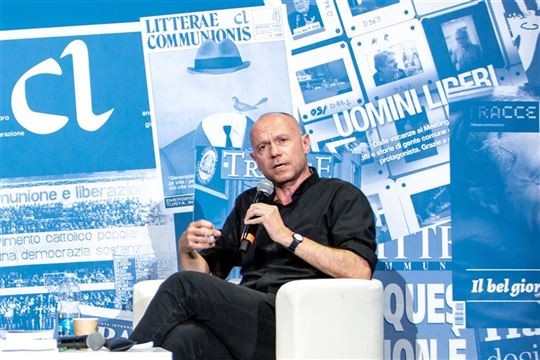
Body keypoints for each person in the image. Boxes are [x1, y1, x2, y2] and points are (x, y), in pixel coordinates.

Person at [129, 112, 377, 359]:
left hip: (304, 322)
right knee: (184, 338)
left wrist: (287, 236)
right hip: (249, 323)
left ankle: (119, 356)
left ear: (305, 143)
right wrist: (186, 249)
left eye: (282, 141)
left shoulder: (341, 196)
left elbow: (358, 270)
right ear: (254, 159)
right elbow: (205, 275)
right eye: (263, 147)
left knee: (182, 285)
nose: (274, 153)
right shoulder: (250, 202)